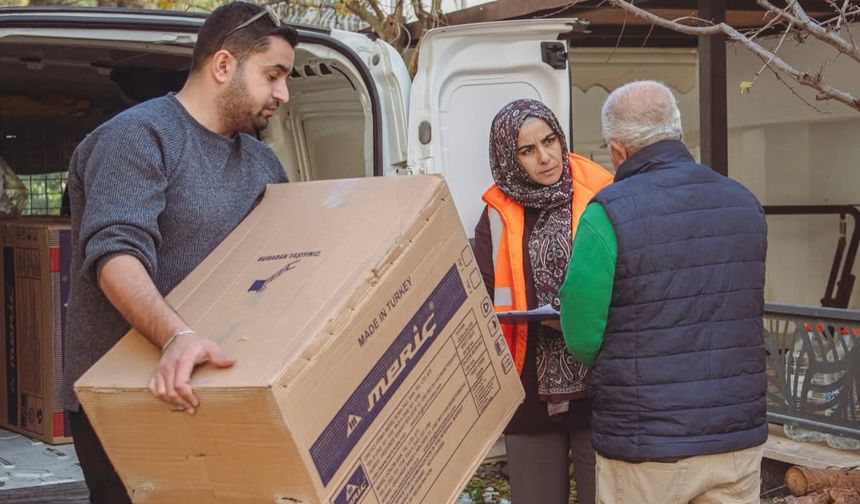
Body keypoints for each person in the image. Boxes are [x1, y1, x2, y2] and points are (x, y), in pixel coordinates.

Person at [58, 4, 298, 503]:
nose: (283, 94)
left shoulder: (263, 163)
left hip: (222, 393)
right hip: (127, 400)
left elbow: (282, 265)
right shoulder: (138, 137)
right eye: (273, 75)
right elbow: (114, 253)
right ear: (224, 66)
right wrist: (177, 336)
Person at [560, 80, 768, 504]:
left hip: (647, 446)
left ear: (617, 149)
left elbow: (581, 336)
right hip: (736, 440)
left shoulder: (607, 214)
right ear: (677, 131)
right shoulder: (744, 203)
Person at [473, 99, 613, 504]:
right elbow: (484, 291)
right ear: (509, 158)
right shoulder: (496, 214)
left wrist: (579, 319)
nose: (545, 157)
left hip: (598, 385)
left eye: (549, 141)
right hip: (527, 386)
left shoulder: (603, 192)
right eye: (527, 150)